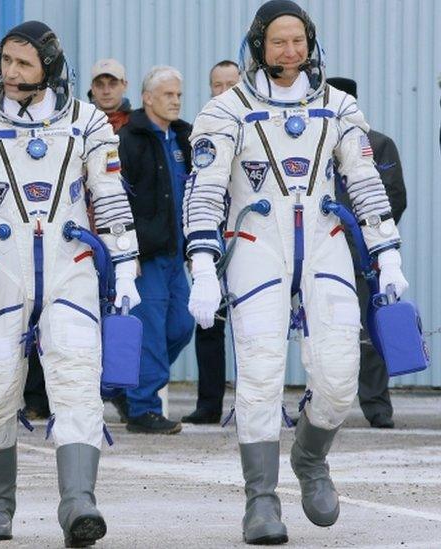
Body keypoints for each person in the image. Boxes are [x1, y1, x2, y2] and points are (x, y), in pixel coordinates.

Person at [183, 2, 409, 544]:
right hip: (257, 248)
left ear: (310, 44)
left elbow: (365, 180)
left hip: (326, 248)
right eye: (280, 42)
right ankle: (261, 500)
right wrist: (202, 264)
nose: (291, 51)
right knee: (259, 376)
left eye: (299, 41)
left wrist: (387, 253)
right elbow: (205, 191)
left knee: (337, 378)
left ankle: (310, 458)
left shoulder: (338, 106)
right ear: (259, 45)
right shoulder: (226, 109)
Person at [0, 21, 140, 546]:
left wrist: (127, 265)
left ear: (49, 70)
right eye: (7, 61)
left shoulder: (87, 122)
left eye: (24, 64)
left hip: (72, 268)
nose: (11, 72)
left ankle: (78, 504)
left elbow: (110, 198)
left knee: (77, 382)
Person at [115, 66, 194, 435]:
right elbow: (114, 201)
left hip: (178, 254)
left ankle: (119, 385)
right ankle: (143, 407)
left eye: (178, 94)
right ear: (148, 98)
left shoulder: (184, 138)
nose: (175, 101)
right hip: (145, 257)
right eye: (168, 95)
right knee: (149, 331)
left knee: (181, 326)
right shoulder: (128, 139)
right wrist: (126, 253)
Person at [327, 76, 407, 429]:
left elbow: (393, 198)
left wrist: (370, 242)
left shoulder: (378, 144)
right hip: (325, 256)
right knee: (324, 333)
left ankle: (376, 406)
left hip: (366, 258)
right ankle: (323, 407)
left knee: (371, 333)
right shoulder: (313, 148)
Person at [182, 59, 241, 426]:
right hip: (214, 242)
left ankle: (261, 402)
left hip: (255, 240)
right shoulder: (205, 134)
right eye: (216, 86)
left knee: (260, 327)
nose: (223, 92)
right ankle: (209, 404)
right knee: (209, 325)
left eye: (230, 84)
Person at [88, 58, 131, 132]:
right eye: (100, 85)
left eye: (113, 84)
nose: (106, 91)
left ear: (124, 86)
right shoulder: (81, 124)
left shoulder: (138, 125)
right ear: (92, 89)